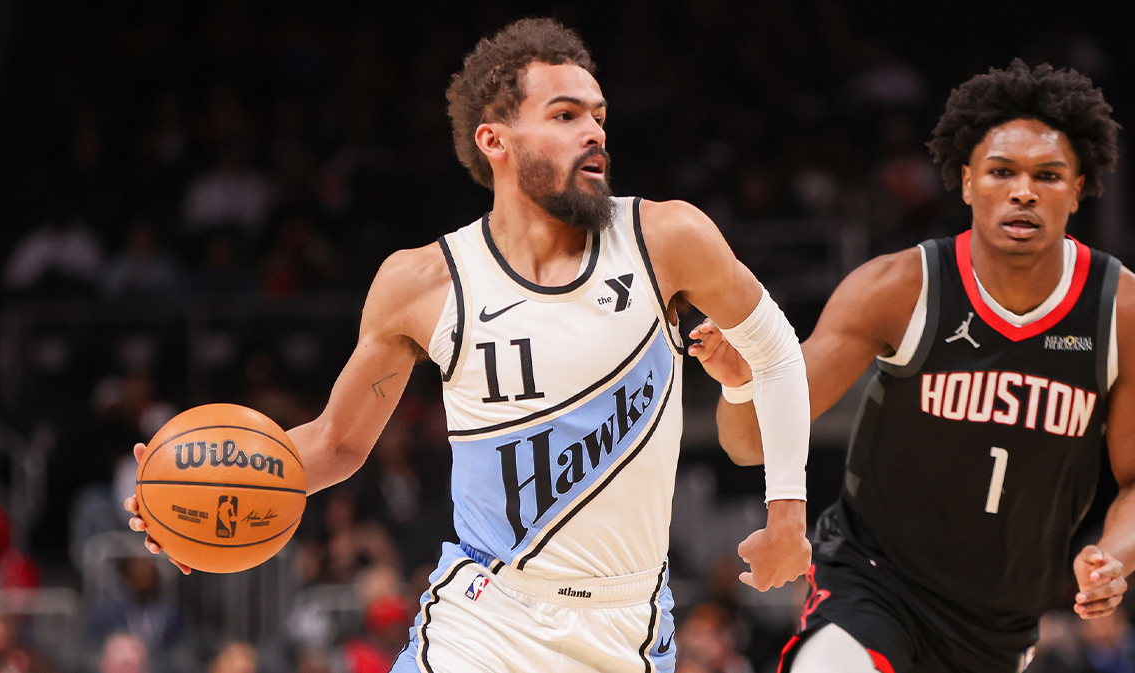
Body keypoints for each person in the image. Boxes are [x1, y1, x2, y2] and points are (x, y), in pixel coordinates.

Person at [127, 17, 812, 673]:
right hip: (486, 617)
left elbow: (776, 348)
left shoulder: (666, 239)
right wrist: (190, 501)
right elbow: (335, 442)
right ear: (496, 140)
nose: (594, 132)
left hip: (627, 624)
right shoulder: (422, 282)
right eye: (566, 115)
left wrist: (787, 515)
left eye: (599, 115)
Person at [689, 60, 1134, 672]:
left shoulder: (1120, 310)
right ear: (967, 181)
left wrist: (1114, 553)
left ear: (1080, 187)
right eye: (1002, 171)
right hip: (875, 583)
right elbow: (748, 445)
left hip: (1002, 621)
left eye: (1049, 175)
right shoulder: (898, 288)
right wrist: (745, 384)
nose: (1024, 190)